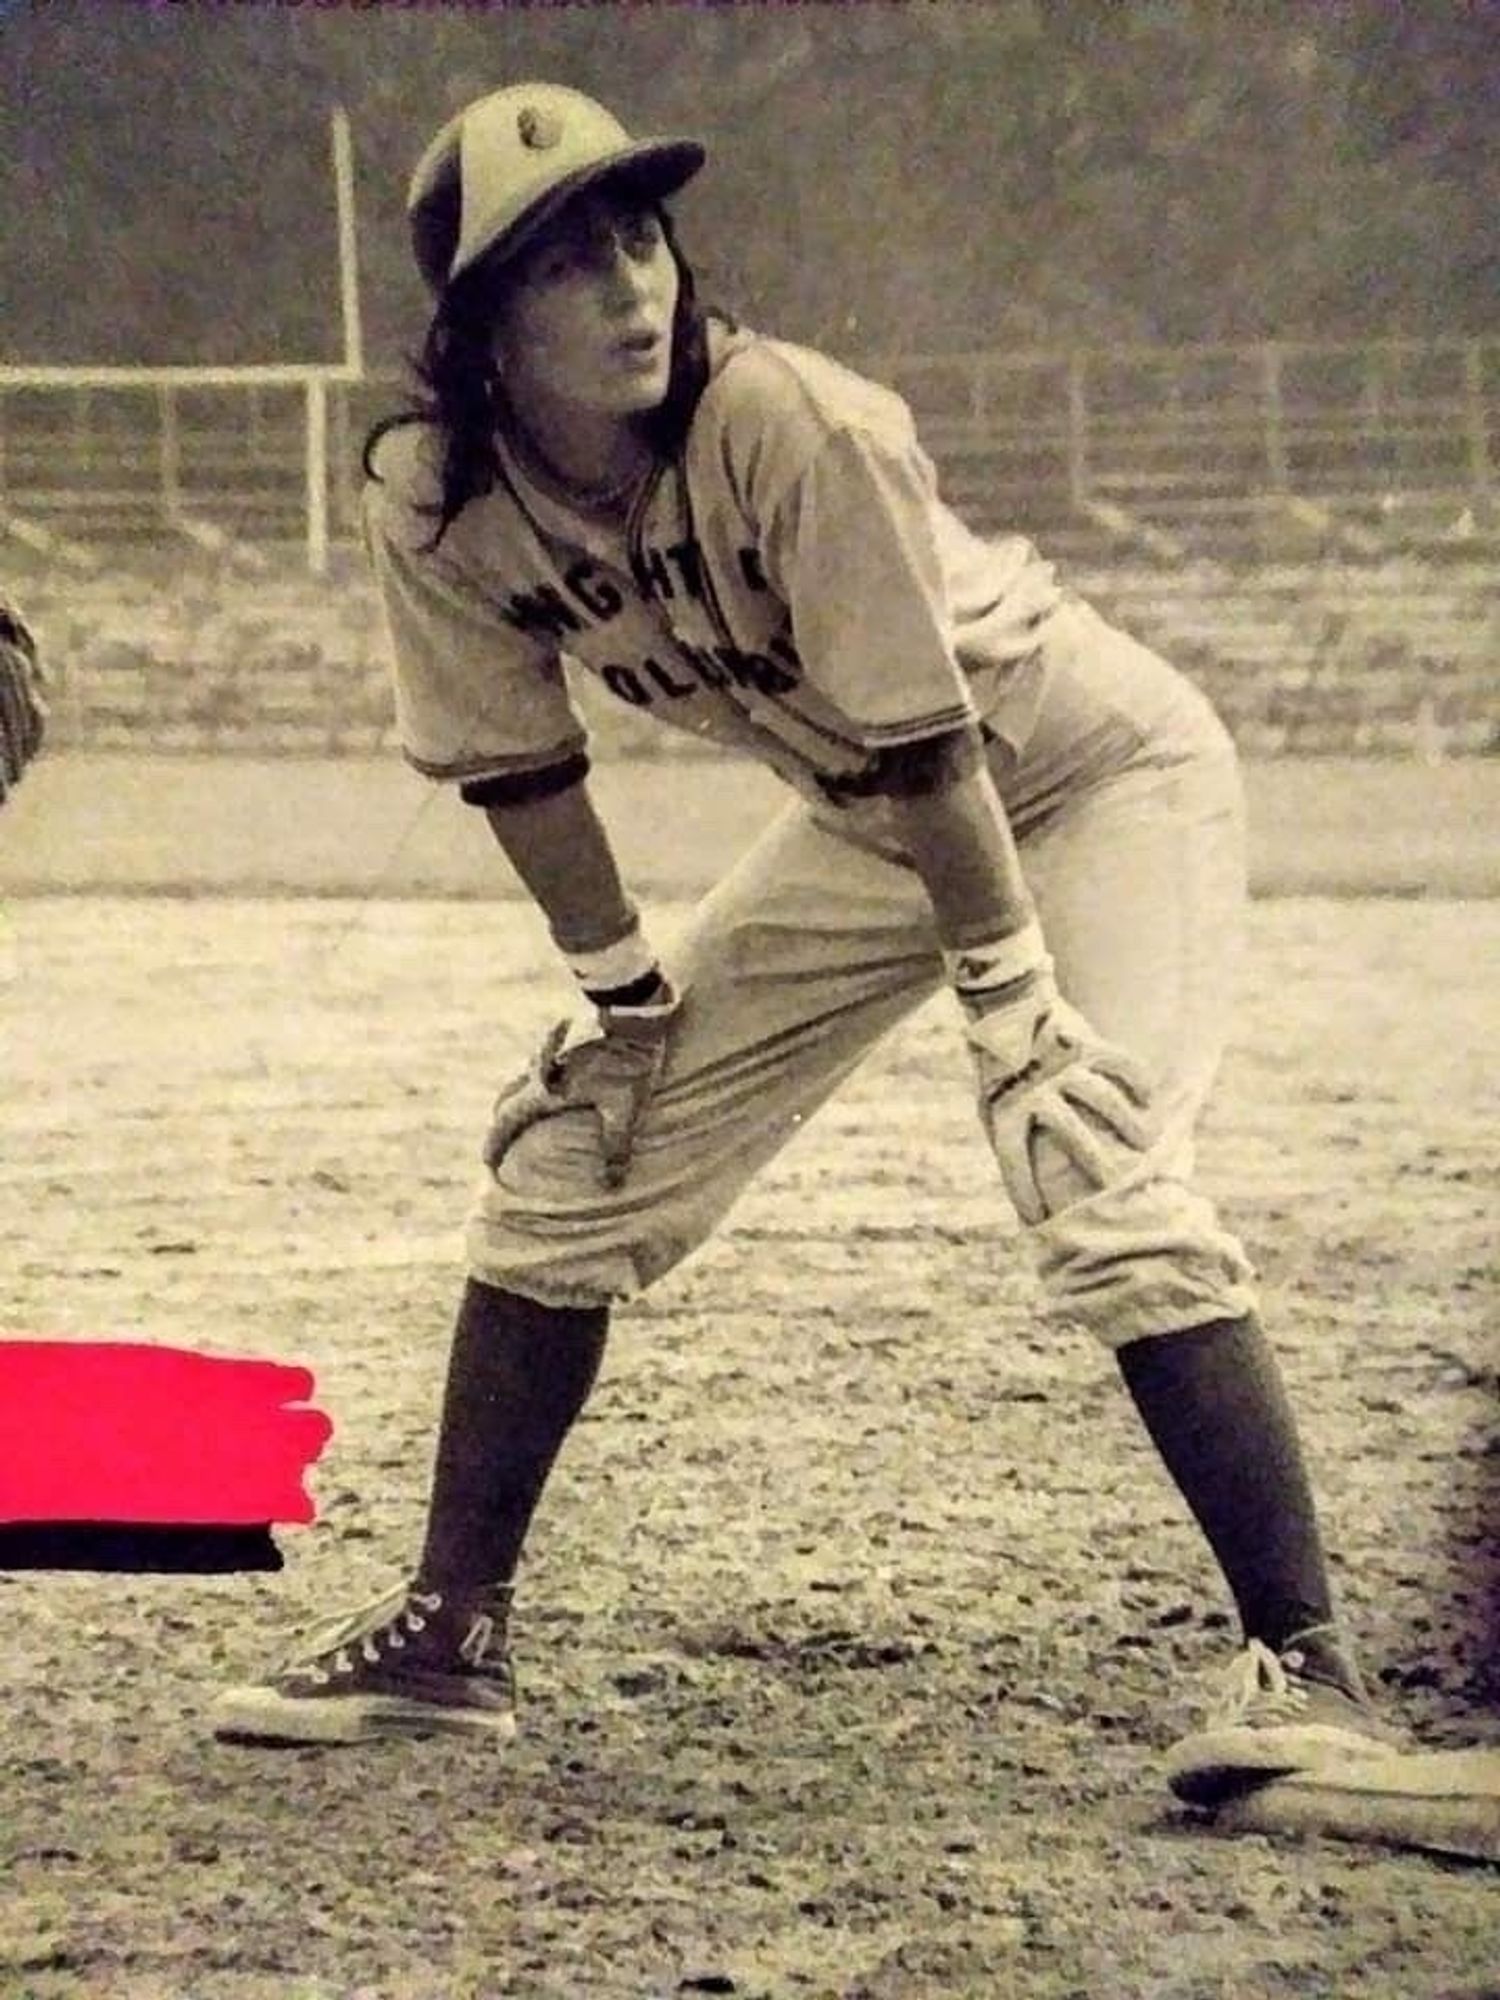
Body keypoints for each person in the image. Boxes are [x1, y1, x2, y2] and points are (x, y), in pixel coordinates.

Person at [212, 82, 1399, 1807]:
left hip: (1076, 771)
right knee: (569, 1157)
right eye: (566, 261)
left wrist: (1015, 1008)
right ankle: (451, 1638)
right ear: (478, 325)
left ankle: (1313, 1670)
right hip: (870, 816)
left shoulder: (787, 421)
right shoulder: (436, 496)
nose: (630, 287)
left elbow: (935, 747)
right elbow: (524, 771)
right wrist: (621, 1004)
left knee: (1091, 1152)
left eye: (639, 237)